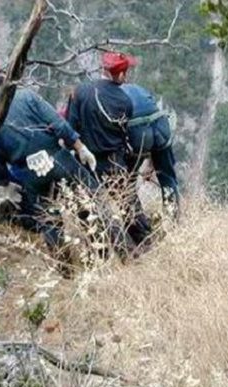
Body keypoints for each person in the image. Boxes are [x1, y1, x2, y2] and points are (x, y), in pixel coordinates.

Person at [0, 64, 134, 260]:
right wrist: (80, 147)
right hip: (57, 158)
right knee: (91, 201)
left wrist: (4, 183)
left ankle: (65, 266)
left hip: (28, 172)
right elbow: (59, 124)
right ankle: (119, 253)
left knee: (49, 220)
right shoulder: (26, 96)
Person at [67, 51, 151, 246]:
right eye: (125, 72)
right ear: (120, 75)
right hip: (114, 162)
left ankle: (103, 250)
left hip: (86, 162)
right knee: (128, 205)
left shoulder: (79, 92)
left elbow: (70, 129)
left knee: (88, 210)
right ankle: (145, 245)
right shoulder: (125, 101)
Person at [120, 83, 179, 218]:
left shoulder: (114, 95)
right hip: (161, 127)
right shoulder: (139, 89)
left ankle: (139, 224)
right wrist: (152, 163)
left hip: (138, 134)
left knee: (127, 182)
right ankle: (173, 220)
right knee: (168, 178)